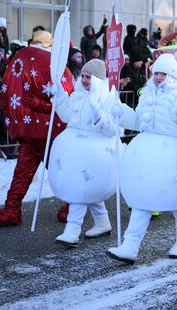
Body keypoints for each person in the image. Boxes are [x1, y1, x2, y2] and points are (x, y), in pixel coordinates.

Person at [107, 53, 177, 264]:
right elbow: (138, 121)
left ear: (173, 76)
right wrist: (121, 112)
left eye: (164, 74)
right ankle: (130, 245)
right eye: (157, 73)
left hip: (172, 157)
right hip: (148, 158)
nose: (159, 78)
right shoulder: (146, 95)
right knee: (143, 198)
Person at [0, 31, 75, 226]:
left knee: (56, 170)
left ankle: (73, 204)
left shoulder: (48, 67)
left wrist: (36, 106)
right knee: (31, 170)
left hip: (45, 132)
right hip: (39, 132)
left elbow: (65, 104)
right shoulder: (47, 65)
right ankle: (13, 208)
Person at [49, 59, 119, 247]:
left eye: (89, 77)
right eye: (83, 76)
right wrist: (60, 96)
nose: (85, 80)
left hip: (95, 152)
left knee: (79, 190)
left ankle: (72, 231)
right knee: (86, 188)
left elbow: (113, 129)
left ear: (97, 80)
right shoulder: (78, 95)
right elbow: (67, 116)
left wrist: (100, 117)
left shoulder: (108, 97)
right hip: (75, 149)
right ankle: (103, 223)